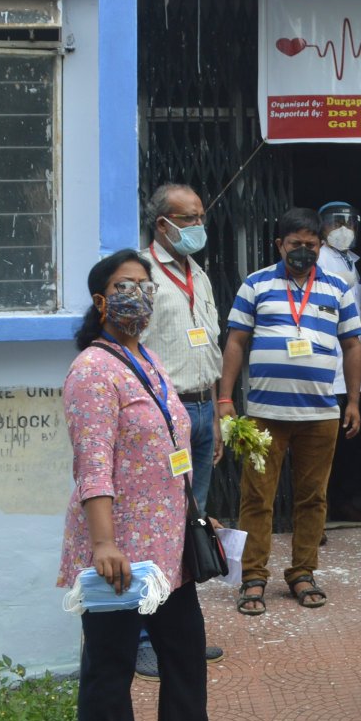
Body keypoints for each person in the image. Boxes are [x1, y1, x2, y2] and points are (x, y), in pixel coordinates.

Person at [60, 250, 253, 721]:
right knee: (110, 669)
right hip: (120, 555)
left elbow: (170, 448)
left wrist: (194, 510)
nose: (138, 295)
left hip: (170, 551)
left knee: (186, 656)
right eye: (125, 286)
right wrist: (103, 544)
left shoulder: (148, 358)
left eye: (146, 286)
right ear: (101, 302)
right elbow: (93, 463)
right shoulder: (92, 370)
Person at [220, 208, 361, 616]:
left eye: (312, 245)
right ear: (280, 245)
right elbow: (235, 342)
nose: (304, 251)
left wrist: (352, 400)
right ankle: (253, 576)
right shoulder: (255, 284)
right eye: (296, 244)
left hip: (320, 413)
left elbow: (352, 346)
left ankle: (303, 572)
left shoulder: (339, 287)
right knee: (257, 498)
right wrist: (226, 399)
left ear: (321, 246)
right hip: (263, 414)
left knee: (313, 498)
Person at [137, 184, 227, 678]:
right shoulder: (141, 273)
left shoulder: (198, 273)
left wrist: (214, 415)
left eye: (200, 216)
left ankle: (180, 635)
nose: (197, 226)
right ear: (162, 223)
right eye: (188, 218)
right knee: (156, 526)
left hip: (201, 412)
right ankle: (145, 639)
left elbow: (207, 347)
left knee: (192, 525)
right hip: (162, 416)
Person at [317, 200, 361, 524]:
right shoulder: (321, 258)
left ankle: (343, 501)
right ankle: (320, 508)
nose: (342, 229)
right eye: (335, 223)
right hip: (327, 364)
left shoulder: (351, 261)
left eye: (348, 223)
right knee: (325, 444)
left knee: (349, 443)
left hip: (349, 363)